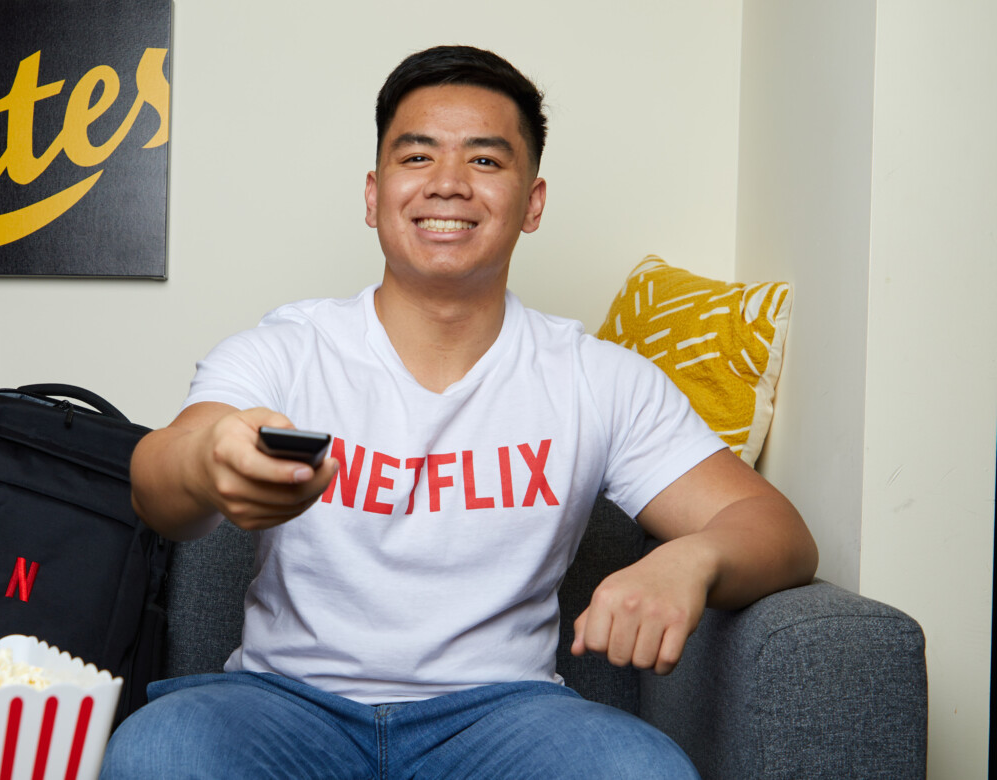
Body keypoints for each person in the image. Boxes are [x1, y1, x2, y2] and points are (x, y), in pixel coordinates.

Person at [102, 45, 818, 779]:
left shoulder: (596, 377)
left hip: (505, 717)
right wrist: (205, 462)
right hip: (285, 707)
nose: (447, 185)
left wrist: (692, 558)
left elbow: (779, 533)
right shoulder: (286, 351)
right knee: (159, 750)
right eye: (417, 158)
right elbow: (157, 488)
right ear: (375, 194)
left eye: (484, 161)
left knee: (644, 773)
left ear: (532, 202)